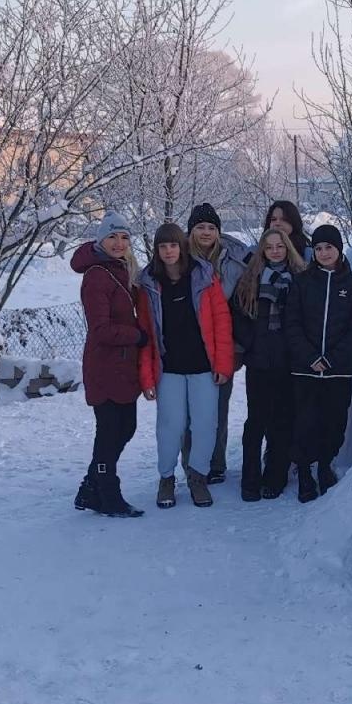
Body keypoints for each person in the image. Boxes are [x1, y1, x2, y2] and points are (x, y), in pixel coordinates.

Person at [135, 222, 234, 510]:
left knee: (205, 425)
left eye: (173, 245)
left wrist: (223, 364)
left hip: (204, 366)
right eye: (162, 246)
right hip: (169, 370)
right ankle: (166, 477)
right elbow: (146, 334)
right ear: (156, 250)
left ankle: (197, 476)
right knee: (171, 426)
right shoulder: (149, 284)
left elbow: (221, 323)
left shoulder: (204, 276)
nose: (168, 251)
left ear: (182, 246)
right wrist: (147, 378)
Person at [71, 213, 149, 518]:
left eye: (125, 238)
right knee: (109, 433)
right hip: (105, 367)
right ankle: (109, 495)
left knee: (124, 428)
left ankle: (90, 488)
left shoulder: (121, 270)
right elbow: (100, 330)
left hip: (123, 367)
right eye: (113, 237)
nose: (119, 243)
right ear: (101, 240)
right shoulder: (97, 276)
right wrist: (137, 336)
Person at [284, 224, 352, 503]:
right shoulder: (302, 283)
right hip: (304, 369)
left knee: (334, 422)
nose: (323, 253)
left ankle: (324, 466)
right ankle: (306, 472)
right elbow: (292, 323)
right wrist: (310, 357)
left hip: (338, 370)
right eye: (318, 248)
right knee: (304, 421)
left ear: (339, 249)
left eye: (328, 247)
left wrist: (332, 358)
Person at [231, 227, 307, 501]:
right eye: (269, 246)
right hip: (260, 361)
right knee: (256, 422)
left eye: (280, 246)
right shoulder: (250, 278)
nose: (275, 251)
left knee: (282, 422)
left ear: (288, 248)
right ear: (262, 250)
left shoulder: (300, 278)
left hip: (287, 361)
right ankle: (250, 479)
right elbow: (237, 314)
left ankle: (275, 475)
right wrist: (251, 342)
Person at [186, 202, 251, 486]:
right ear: (191, 231)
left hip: (223, 345)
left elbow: (241, 308)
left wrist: (237, 347)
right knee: (189, 412)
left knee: (217, 408)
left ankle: (216, 463)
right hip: (187, 346)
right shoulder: (179, 259)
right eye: (200, 227)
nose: (206, 232)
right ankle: (192, 464)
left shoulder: (234, 262)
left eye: (211, 227)